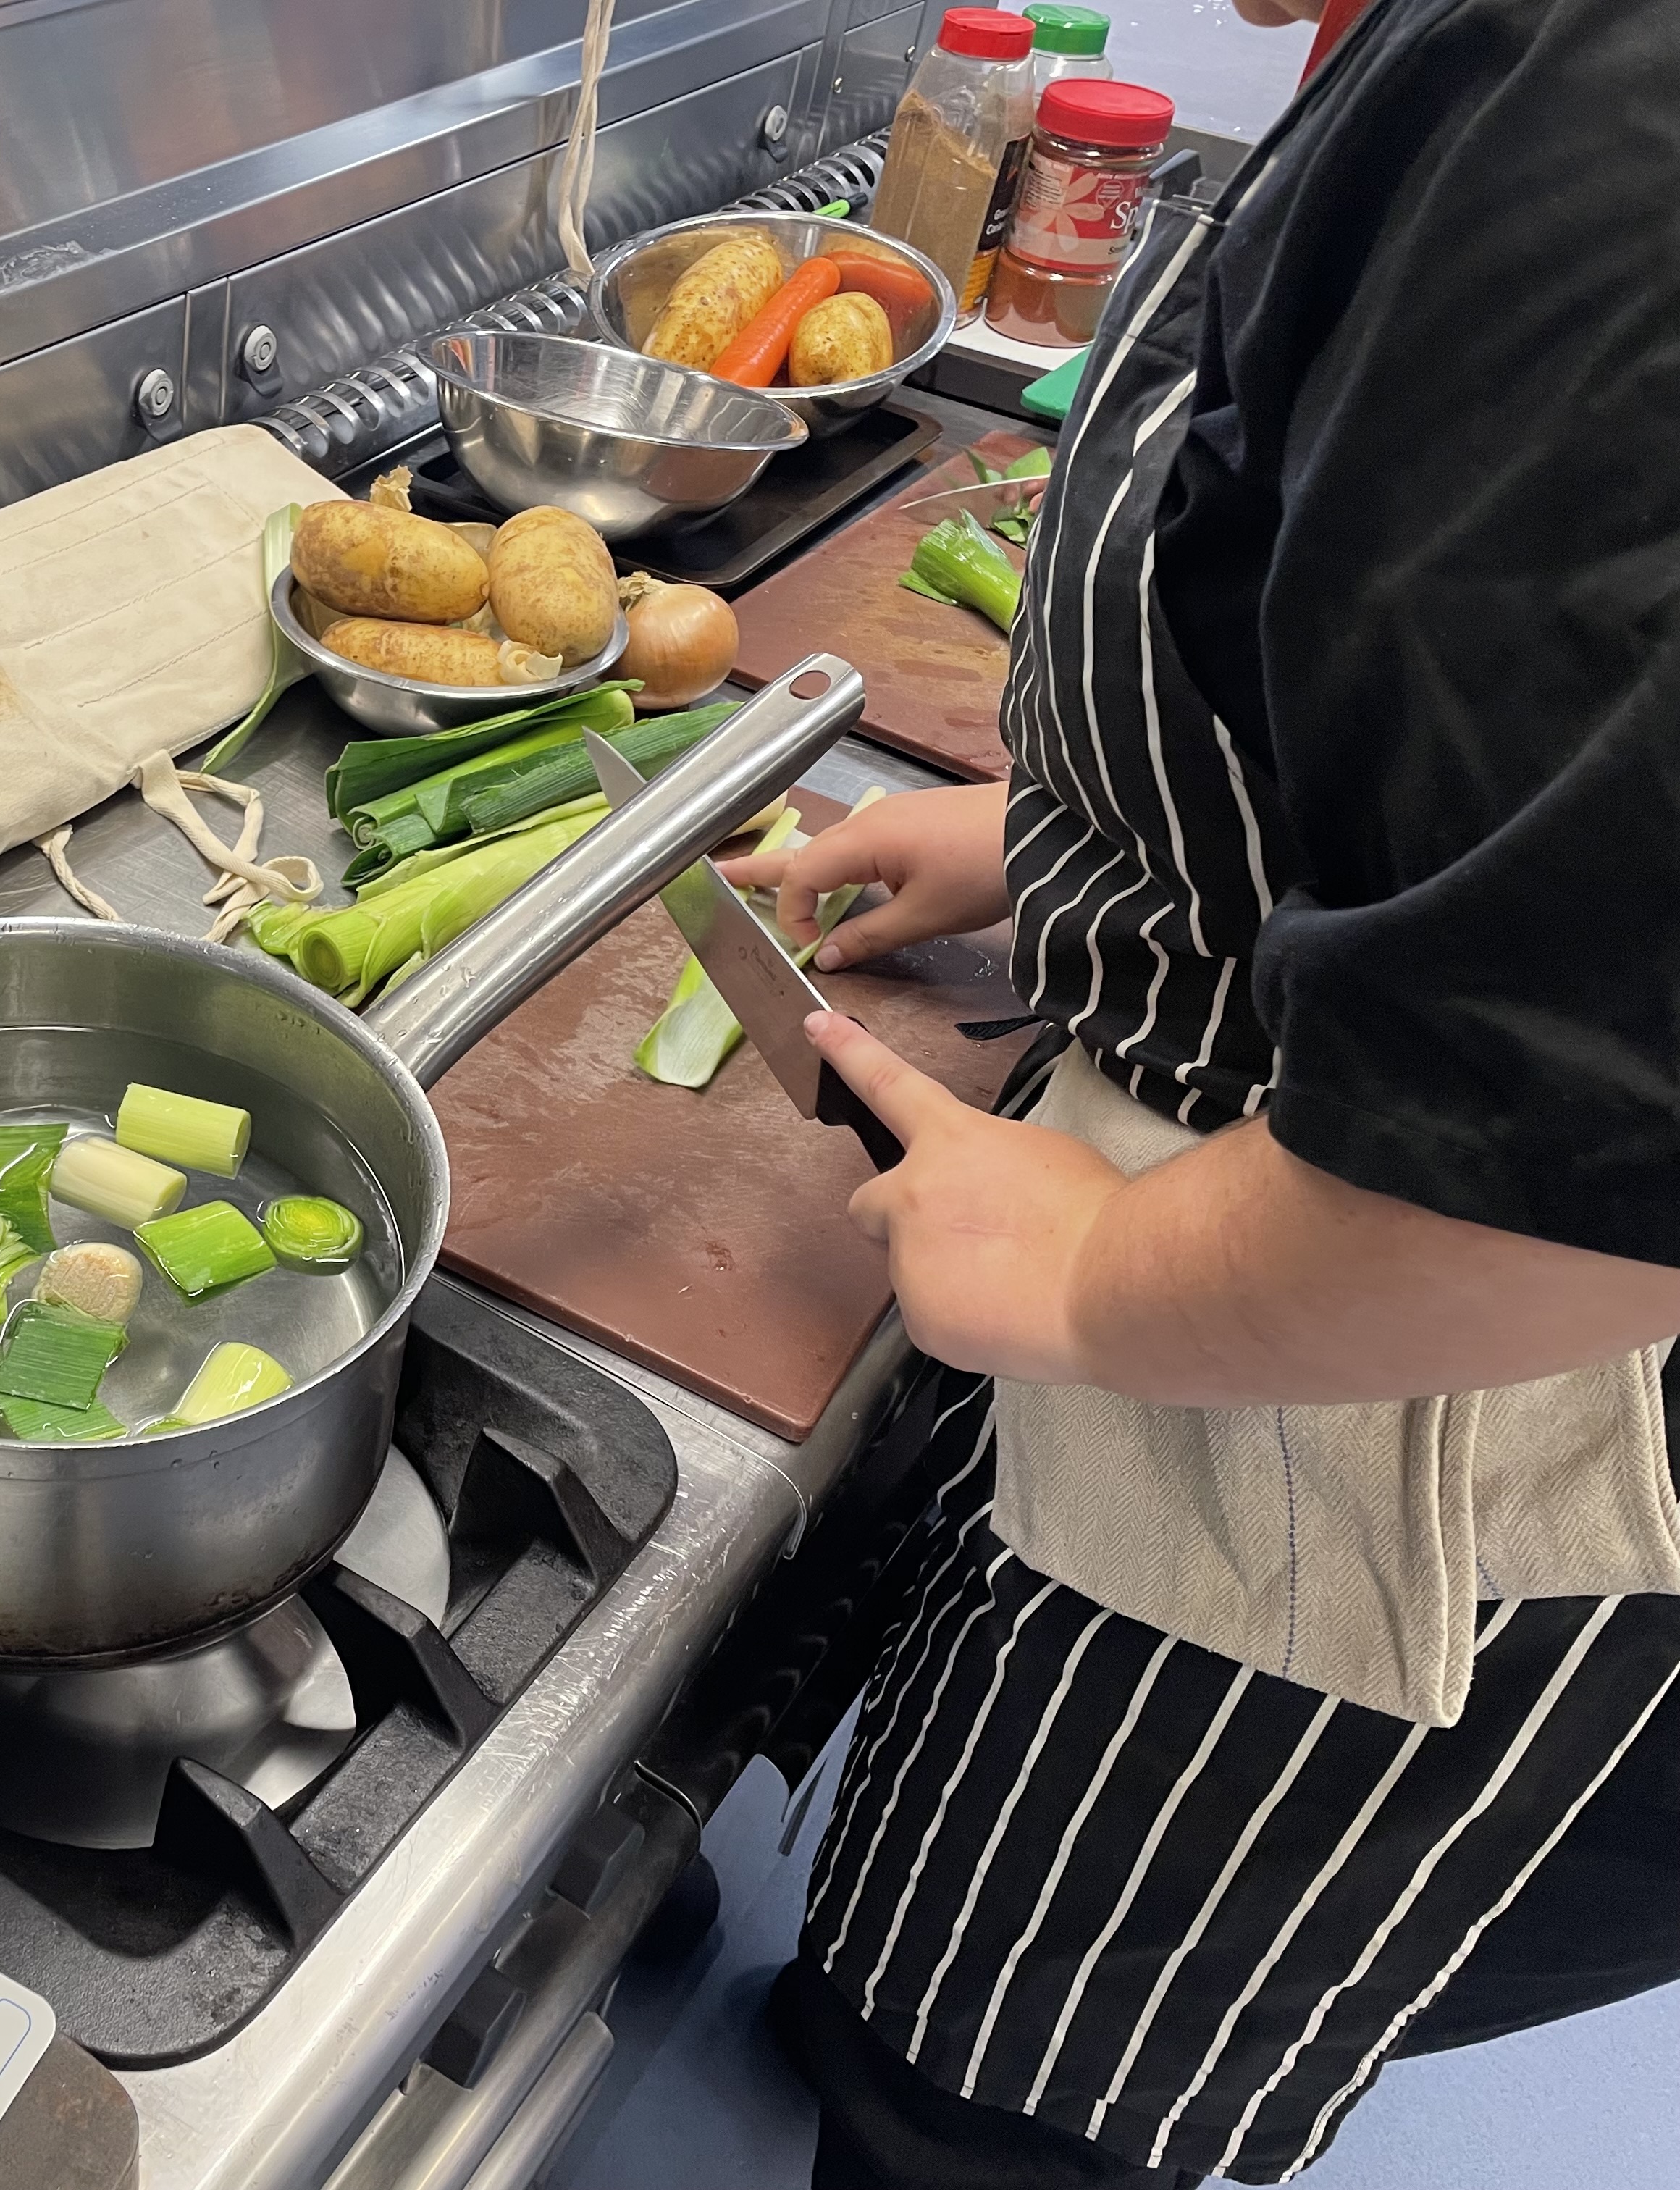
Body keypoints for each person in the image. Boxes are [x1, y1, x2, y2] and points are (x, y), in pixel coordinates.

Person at [720, 0, 1680, 2181]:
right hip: (1280, 1283)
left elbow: (1593, 1156)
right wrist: (1085, 842)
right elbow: (1488, 696)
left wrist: (1097, 1278)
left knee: (1019, 2080)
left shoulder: (1613, 112)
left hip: (1422, 1422)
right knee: (943, 1928)